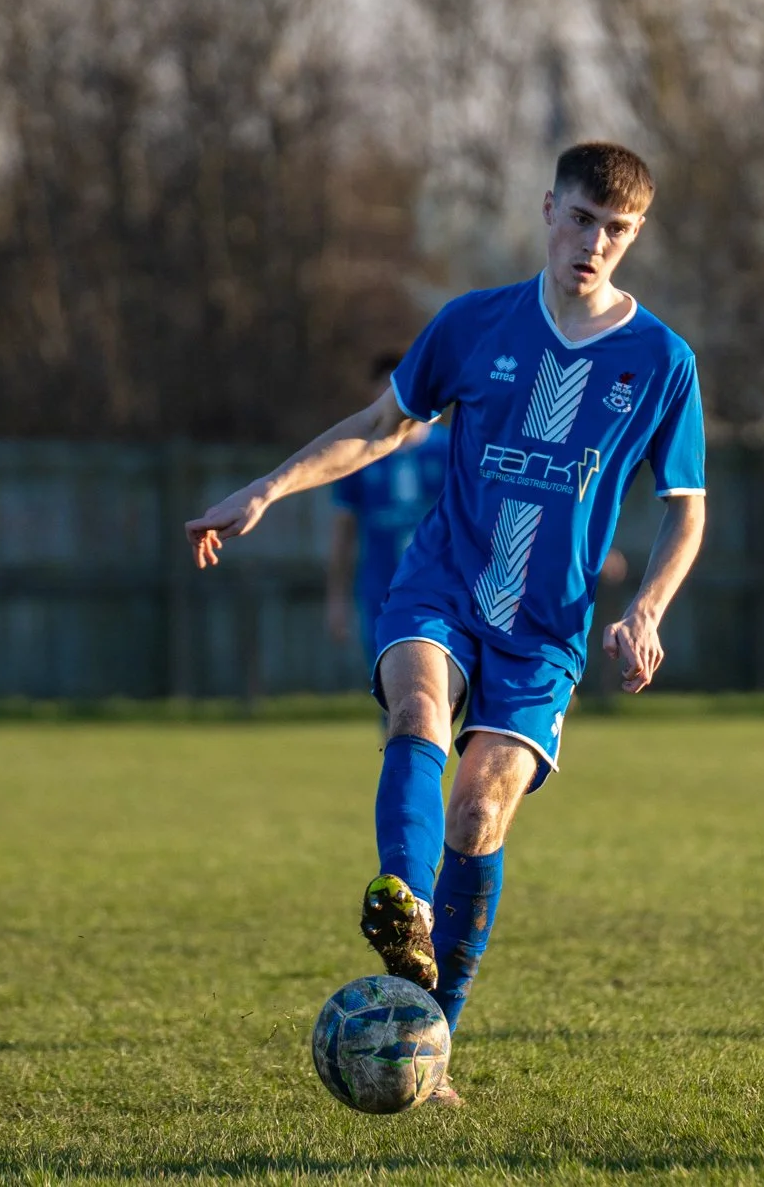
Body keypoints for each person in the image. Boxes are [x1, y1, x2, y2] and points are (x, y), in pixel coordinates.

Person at [186, 142, 706, 1106]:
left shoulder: (661, 362)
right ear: (548, 207)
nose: (595, 243)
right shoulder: (473, 324)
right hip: (442, 586)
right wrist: (269, 487)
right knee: (418, 709)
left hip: (545, 630)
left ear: (635, 236)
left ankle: (433, 1042)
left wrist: (646, 611)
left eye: (618, 230)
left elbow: (687, 506)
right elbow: (381, 425)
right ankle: (403, 897)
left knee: (478, 811)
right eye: (582, 218)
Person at [327, 355, 450, 674]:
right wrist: (337, 599)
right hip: (381, 589)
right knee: (391, 683)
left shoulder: (452, 450)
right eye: (385, 386)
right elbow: (344, 531)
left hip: (444, 589)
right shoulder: (360, 456)